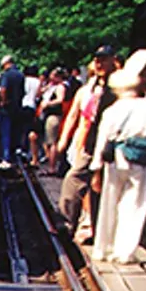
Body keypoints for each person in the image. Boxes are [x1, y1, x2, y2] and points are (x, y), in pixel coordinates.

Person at [92, 55, 146, 264]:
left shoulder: (111, 110)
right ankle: (125, 251)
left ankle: (103, 248)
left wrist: (96, 168)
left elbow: (102, 141)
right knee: (135, 204)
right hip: (140, 160)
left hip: (116, 159)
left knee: (109, 202)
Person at [55, 52, 118, 243]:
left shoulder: (117, 86)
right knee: (81, 182)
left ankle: (89, 226)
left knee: (89, 184)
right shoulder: (87, 89)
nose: (98, 64)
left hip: (107, 144)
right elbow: (74, 115)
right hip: (87, 143)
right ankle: (72, 223)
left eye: (103, 60)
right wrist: (64, 139)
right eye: (96, 60)